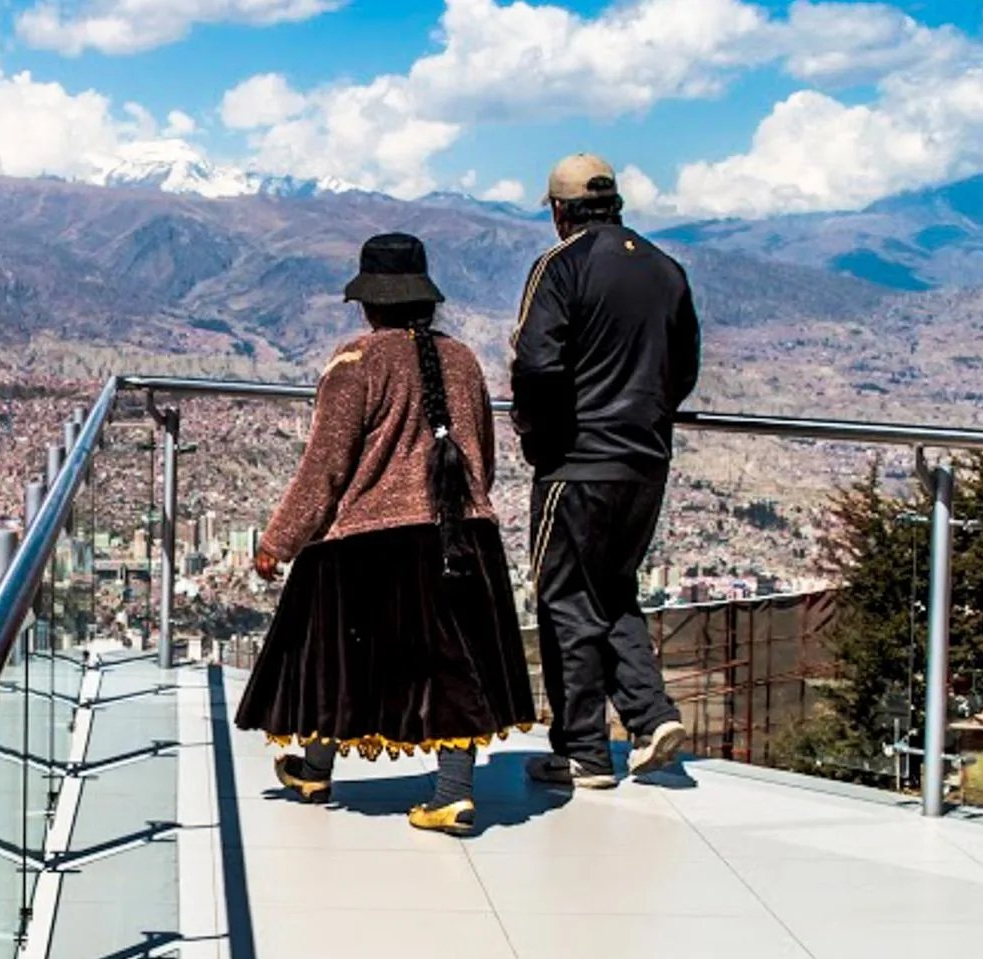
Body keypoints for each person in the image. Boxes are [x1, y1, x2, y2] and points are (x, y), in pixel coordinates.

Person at [234, 233, 535, 836]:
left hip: (377, 542)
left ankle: (336, 772)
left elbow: (325, 469)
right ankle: (442, 785)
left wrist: (279, 541)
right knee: (453, 662)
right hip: (464, 533)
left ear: (369, 304)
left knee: (332, 649)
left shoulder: (355, 364)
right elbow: (483, 458)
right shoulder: (465, 361)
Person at [511, 153, 701, 788]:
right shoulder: (667, 270)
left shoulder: (561, 267)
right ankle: (650, 719)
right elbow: (685, 370)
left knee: (564, 599)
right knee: (613, 590)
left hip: (577, 462)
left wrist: (540, 439)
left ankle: (583, 750)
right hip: (645, 462)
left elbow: (537, 366)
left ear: (561, 210)